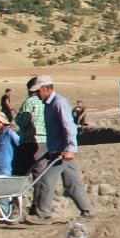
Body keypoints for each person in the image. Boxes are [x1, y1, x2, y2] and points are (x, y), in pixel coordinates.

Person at [29, 75, 95, 220]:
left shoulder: (59, 103)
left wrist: (70, 149)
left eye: (38, 91)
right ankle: (88, 211)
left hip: (62, 152)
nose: (36, 94)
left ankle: (42, 214)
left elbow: (69, 126)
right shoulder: (48, 104)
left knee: (46, 179)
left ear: (47, 88)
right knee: (71, 183)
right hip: (55, 150)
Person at [13, 75, 46, 176]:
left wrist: (18, 117)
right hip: (45, 142)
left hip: (29, 141)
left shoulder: (30, 101)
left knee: (19, 173)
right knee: (39, 175)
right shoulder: (48, 101)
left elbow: (23, 122)